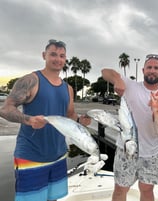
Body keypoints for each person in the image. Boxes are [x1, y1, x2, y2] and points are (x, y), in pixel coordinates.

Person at [0, 39, 91, 201]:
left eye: (62, 56)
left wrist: (79, 120)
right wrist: (28, 119)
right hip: (31, 156)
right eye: (53, 54)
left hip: (59, 156)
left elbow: (69, 115)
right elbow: (6, 109)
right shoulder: (31, 80)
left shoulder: (68, 88)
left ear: (65, 59)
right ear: (44, 55)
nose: (58, 59)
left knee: (53, 198)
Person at [102, 54, 158, 201]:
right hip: (127, 148)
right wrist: (118, 79)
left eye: (156, 68)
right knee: (120, 188)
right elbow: (105, 72)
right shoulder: (130, 86)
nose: (152, 70)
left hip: (152, 152)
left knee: (147, 189)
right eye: (149, 67)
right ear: (143, 70)